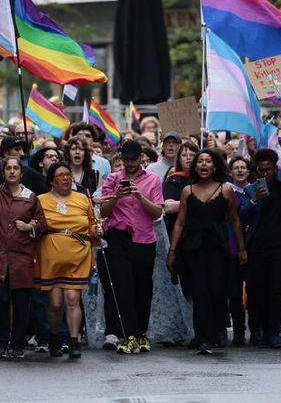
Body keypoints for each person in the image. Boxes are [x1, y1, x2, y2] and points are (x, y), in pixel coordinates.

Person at [167, 149, 247, 354]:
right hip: (193, 248)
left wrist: (241, 248)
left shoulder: (225, 189)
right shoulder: (188, 191)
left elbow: (235, 220)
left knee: (217, 290)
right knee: (199, 291)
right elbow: (180, 222)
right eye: (200, 161)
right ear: (195, 166)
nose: (203, 164)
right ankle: (202, 336)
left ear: (215, 166)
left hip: (218, 248)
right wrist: (172, 250)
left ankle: (218, 331)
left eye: (208, 161)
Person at [0, 156, 47, 359]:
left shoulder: (31, 197)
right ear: (3, 172)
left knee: (21, 303)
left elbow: (42, 223)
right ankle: (1, 342)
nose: (12, 172)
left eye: (15, 168)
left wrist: (30, 226)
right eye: (8, 168)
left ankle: (17, 344)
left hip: (22, 258)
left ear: (21, 173)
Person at [99, 140, 164, 354]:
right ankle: (130, 335)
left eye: (133, 159)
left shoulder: (153, 180)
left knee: (143, 289)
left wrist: (138, 194)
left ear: (141, 159)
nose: (129, 163)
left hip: (144, 240)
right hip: (118, 239)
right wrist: (117, 195)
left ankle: (142, 333)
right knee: (122, 287)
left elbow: (157, 213)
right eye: (125, 159)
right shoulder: (113, 179)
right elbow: (105, 212)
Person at [35, 162, 102, 358]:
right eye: (60, 175)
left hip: (78, 255)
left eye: (68, 175)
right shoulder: (40, 200)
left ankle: (73, 342)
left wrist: (96, 230)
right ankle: (55, 337)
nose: (65, 178)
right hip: (51, 257)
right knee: (55, 304)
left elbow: (92, 224)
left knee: (72, 299)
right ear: (51, 181)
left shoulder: (83, 199)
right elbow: (35, 225)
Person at [240, 119, 281, 349]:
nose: (266, 173)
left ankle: (272, 332)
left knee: (276, 289)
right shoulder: (251, 189)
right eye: (261, 170)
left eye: (269, 169)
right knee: (255, 290)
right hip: (256, 248)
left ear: (275, 169)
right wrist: (254, 201)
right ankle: (256, 330)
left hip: (280, 247)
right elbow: (242, 216)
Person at [227, 156, 254, 345]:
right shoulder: (226, 192)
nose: (239, 170)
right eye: (235, 167)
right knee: (234, 292)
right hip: (233, 248)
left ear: (248, 171)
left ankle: (256, 330)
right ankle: (238, 331)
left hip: (254, 248)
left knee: (254, 292)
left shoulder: (256, 191)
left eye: (243, 167)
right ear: (230, 172)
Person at [162, 141, 198, 243]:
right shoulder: (173, 180)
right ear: (179, 158)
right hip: (179, 234)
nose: (188, 158)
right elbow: (168, 207)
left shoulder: (204, 180)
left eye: (192, 155)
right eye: (184, 155)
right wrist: (193, 202)